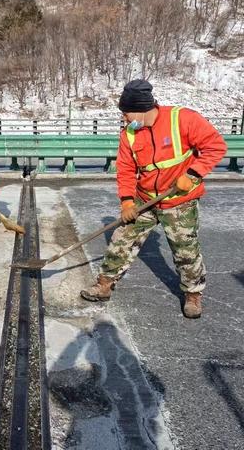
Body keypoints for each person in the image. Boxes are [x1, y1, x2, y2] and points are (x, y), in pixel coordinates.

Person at [80, 79, 227, 318]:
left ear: (142, 109)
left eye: (127, 114)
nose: (125, 119)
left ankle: (193, 295)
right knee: (122, 238)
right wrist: (127, 201)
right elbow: (126, 169)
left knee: (185, 249)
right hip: (145, 198)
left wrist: (193, 174)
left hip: (179, 199)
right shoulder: (129, 134)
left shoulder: (182, 119)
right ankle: (104, 284)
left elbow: (215, 146)